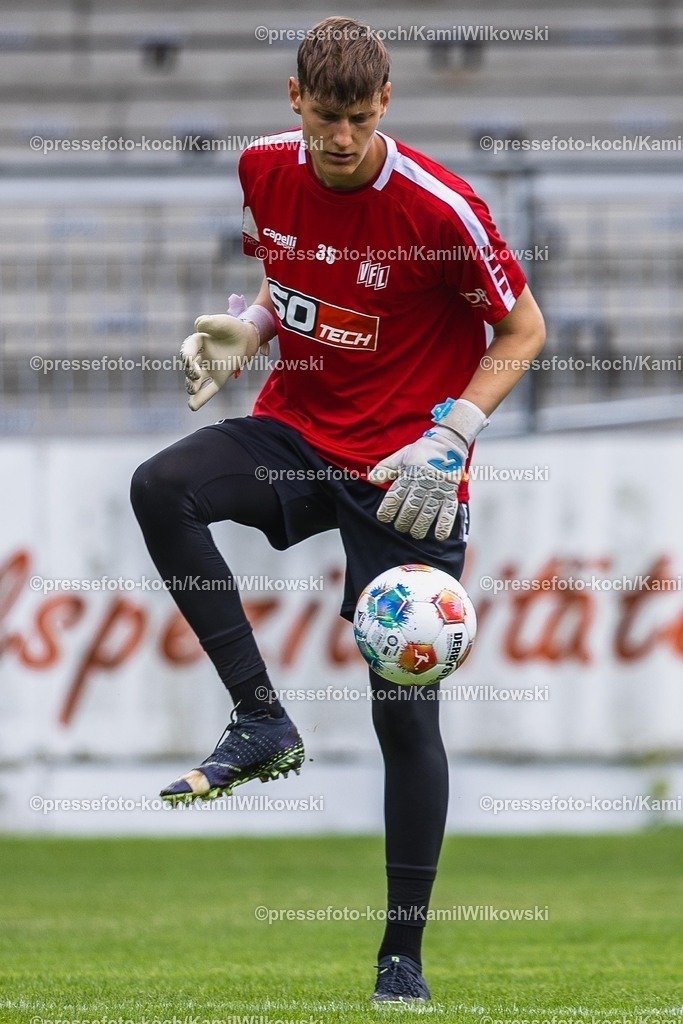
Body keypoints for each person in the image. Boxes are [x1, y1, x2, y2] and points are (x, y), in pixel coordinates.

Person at [130, 15, 545, 1003]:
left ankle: (399, 956)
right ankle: (260, 718)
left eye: (359, 118)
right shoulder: (263, 167)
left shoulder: (439, 209)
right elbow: (284, 271)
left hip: (406, 471)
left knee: (403, 715)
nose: (341, 138)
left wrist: (454, 435)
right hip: (299, 434)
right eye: (325, 118)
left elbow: (522, 327)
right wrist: (248, 325)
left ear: (385, 105)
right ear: (293, 101)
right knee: (161, 485)